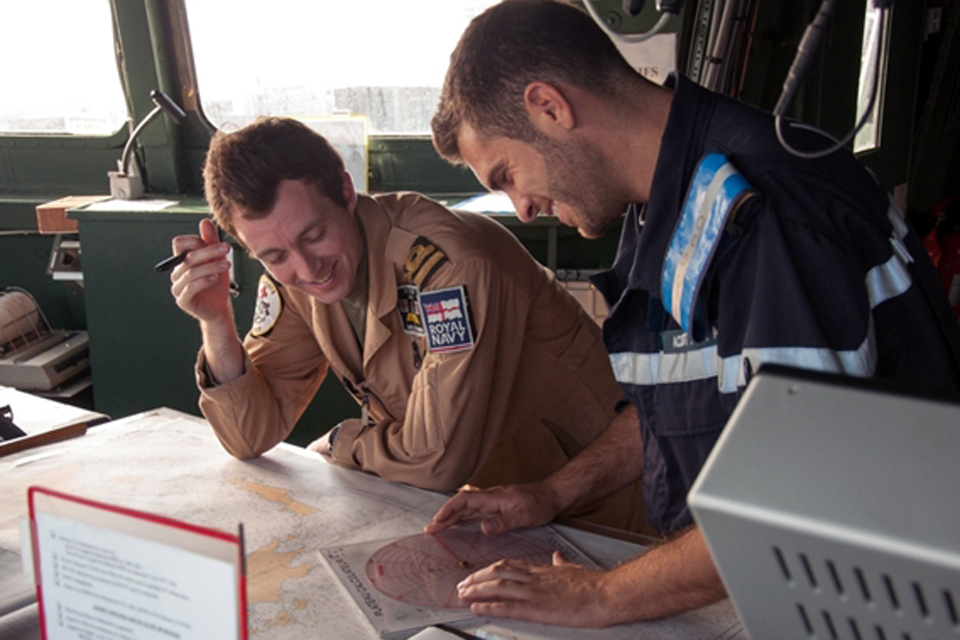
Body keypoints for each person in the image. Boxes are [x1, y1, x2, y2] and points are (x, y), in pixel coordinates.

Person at [425, 0, 960, 627]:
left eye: (508, 174)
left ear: (550, 107)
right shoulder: (662, 205)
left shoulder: (766, 210)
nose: (522, 209)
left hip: (882, 604)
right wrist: (552, 493)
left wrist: (601, 595)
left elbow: (793, 500)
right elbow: (679, 401)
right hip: (764, 588)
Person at [167, 116, 653, 534]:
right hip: (513, 511)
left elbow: (436, 460)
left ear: (344, 190)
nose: (308, 268)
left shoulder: (448, 267)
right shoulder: (296, 280)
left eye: (314, 235)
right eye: (274, 256)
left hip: (613, 510)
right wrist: (216, 323)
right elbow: (249, 434)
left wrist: (343, 442)